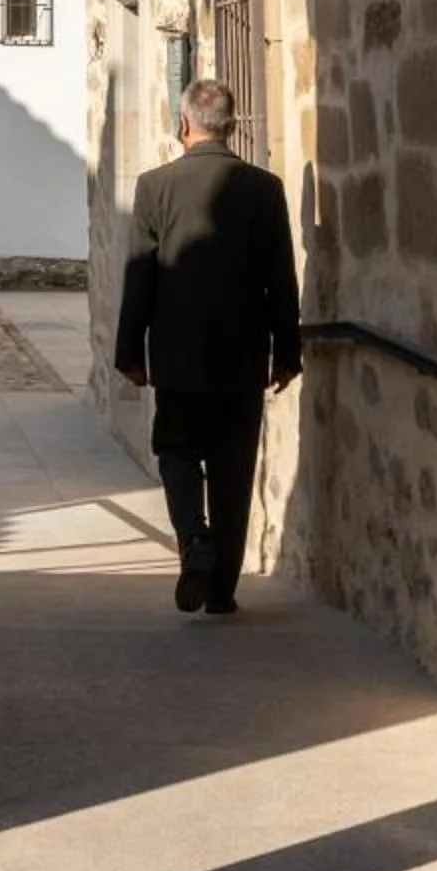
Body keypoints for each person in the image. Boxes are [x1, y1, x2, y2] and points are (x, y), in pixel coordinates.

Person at [114, 77, 301, 617]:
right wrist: (287, 352)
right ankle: (221, 592)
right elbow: (280, 280)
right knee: (233, 469)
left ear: (183, 124)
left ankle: (194, 538)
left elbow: (140, 277)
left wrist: (131, 353)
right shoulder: (264, 189)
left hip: (176, 356)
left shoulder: (154, 187)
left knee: (176, 451)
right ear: (232, 126)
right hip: (242, 359)